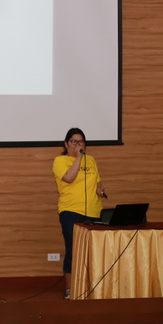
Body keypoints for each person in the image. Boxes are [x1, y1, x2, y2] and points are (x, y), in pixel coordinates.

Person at [53, 127, 107, 300]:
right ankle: (70, 288)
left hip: (93, 211)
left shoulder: (91, 160)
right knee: (73, 250)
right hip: (71, 211)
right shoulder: (60, 161)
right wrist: (78, 157)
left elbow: (97, 182)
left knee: (93, 252)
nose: (77, 144)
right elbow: (69, 178)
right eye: (74, 141)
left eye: (81, 141)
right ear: (66, 144)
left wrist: (100, 190)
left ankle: (91, 286)